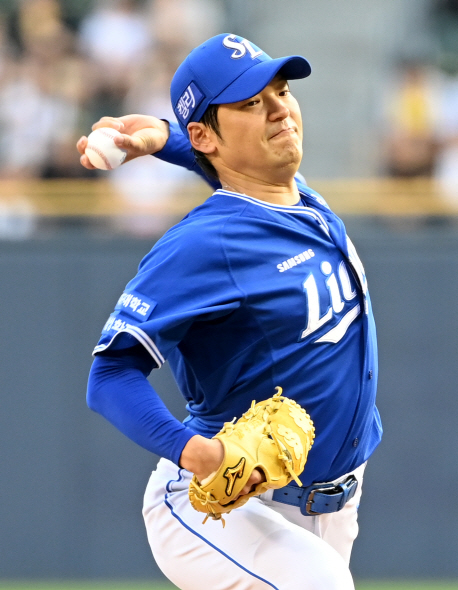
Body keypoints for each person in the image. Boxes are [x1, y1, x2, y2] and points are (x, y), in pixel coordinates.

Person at [78, 33, 381, 590]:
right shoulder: (203, 245)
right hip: (222, 506)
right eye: (250, 103)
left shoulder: (299, 198)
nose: (279, 110)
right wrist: (195, 453)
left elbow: (235, 167)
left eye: (281, 91)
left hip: (331, 503)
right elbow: (110, 376)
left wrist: (166, 140)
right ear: (206, 135)